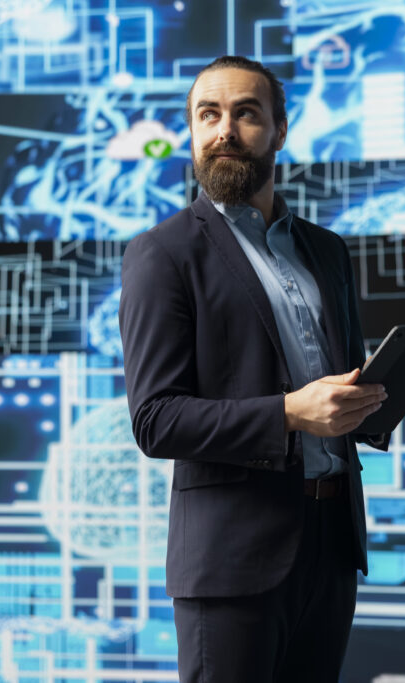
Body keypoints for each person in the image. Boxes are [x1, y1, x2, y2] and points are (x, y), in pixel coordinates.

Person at [118, 55, 389, 683]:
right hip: (231, 556)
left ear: (280, 130)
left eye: (246, 113)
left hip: (330, 543)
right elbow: (156, 421)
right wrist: (293, 413)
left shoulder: (326, 250)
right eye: (207, 115)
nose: (224, 131)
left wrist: (377, 397)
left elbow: (340, 380)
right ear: (190, 130)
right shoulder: (162, 254)